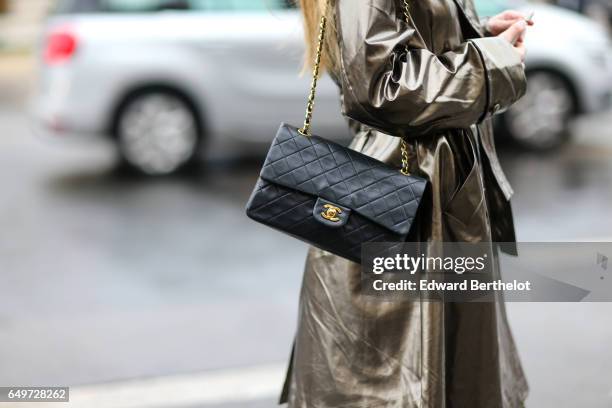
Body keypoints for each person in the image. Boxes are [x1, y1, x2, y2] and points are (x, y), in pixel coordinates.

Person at [281, 1, 533, 407]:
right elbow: (380, 87)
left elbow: (404, 44)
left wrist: (483, 37)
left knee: (441, 378)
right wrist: (491, 62)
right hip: (407, 195)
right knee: (397, 385)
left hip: (430, 189)